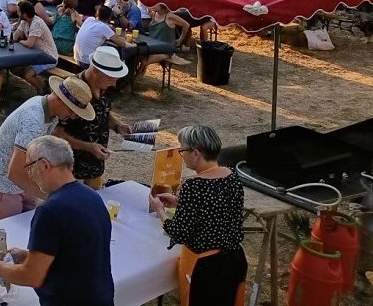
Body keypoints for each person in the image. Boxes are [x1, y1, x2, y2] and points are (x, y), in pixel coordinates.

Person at [0, 135, 114, 306]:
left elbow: (32, 276)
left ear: (44, 165)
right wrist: (26, 256)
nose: (29, 174)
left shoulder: (50, 211)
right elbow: (75, 255)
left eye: (29, 166)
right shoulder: (92, 196)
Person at [150, 125, 246, 306]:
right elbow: (218, 209)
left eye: (183, 150)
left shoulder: (194, 186)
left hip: (206, 266)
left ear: (196, 153)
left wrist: (160, 210)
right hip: (235, 259)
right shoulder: (232, 176)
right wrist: (181, 203)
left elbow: (178, 233)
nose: (182, 154)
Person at [0, 76, 95, 219]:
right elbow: (14, 172)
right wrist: (56, 198)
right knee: (10, 230)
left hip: (25, 177)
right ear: (59, 99)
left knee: (28, 222)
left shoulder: (48, 109)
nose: (73, 116)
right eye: (72, 110)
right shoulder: (33, 120)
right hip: (5, 183)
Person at [55, 47, 131, 189]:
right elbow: (55, 132)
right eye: (110, 79)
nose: (114, 84)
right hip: (72, 167)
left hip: (95, 165)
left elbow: (103, 112)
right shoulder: (72, 91)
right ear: (95, 71)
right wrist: (88, 147)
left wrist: (117, 126)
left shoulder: (103, 86)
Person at [10, 0, 59, 94]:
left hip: (48, 57)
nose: (17, 13)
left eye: (19, 12)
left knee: (27, 74)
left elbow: (29, 43)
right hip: (36, 55)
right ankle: (42, 84)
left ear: (24, 14)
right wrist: (11, 38)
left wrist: (20, 41)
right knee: (16, 69)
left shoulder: (37, 23)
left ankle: (41, 90)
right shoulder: (24, 21)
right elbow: (15, 36)